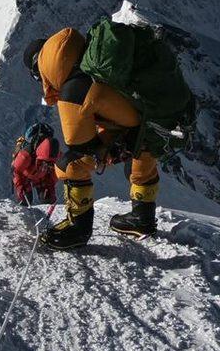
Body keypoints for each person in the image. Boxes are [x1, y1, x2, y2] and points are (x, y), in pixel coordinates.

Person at [23, 27, 160, 250]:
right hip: (153, 116)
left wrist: (106, 151)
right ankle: (142, 218)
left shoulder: (72, 90)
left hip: (132, 125)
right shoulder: (90, 62)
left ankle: (77, 230)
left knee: (70, 163)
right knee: (142, 145)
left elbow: (81, 149)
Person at [11, 123, 59, 206]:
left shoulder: (56, 156)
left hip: (39, 175)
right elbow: (16, 171)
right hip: (24, 176)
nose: (47, 165)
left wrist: (50, 189)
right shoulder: (25, 155)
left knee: (48, 199)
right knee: (25, 200)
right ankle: (24, 214)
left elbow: (53, 176)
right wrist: (20, 187)